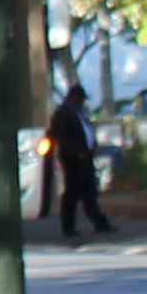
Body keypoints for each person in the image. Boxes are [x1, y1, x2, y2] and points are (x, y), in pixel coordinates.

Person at [43, 79, 111, 240]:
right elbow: (62, 136)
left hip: (86, 156)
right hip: (73, 158)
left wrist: (93, 146)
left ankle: (100, 223)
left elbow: (87, 131)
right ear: (74, 97)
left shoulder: (80, 113)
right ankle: (68, 227)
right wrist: (75, 152)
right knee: (72, 193)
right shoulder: (62, 114)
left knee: (89, 192)